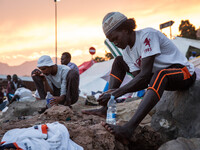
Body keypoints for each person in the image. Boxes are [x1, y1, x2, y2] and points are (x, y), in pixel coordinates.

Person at [82, 12, 196, 143]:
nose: (115, 43)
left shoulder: (147, 35)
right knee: (118, 61)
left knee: (161, 74)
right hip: (161, 77)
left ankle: (129, 128)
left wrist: (116, 93)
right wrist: (112, 95)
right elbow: (142, 82)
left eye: (116, 38)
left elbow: (145, 74)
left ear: (125, 29)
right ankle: (105, 108)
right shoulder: (127, 53)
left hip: (183, 72)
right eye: (112, 41)